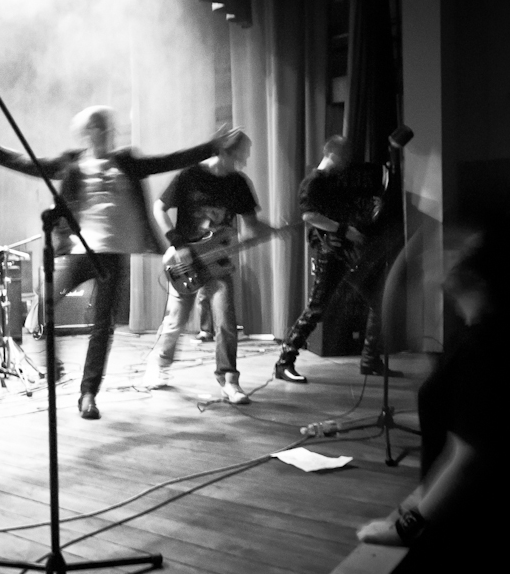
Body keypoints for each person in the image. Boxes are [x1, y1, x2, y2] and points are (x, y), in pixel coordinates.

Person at [0, 108, 240, 419]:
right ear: (86, 134)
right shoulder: (73, 163)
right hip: (79, 252)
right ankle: (54, 365)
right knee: (44, 305)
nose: (104, 132)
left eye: (106, 127)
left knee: (102, 327)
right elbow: (31, 164)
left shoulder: (126, 161)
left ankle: (88, 394)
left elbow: (169, 161)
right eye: (96, 128)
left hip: (113, 256)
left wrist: (212, 146)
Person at [356, 222, 509, 572]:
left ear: (478, 275)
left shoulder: (482, 348)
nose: (439, 254)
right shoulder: (473, 334)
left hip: (468, 527)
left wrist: (403, 529)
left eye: (458, 250)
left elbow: (467, 459)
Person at [142, 131, 271, 404]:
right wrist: (177, 244)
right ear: (224, 152)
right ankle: (159, 364)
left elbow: (251, 226)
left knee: (226, 321)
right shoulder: (190, 176)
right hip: (186, 262)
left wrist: (272, 230)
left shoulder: (238, 183)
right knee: (175, 322)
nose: (244, 162)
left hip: (218, 263)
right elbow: (158, 208)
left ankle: (229, 380)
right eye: (240, 156)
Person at [273, 135, 388, 383]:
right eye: (344, 157)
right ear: (333, 154)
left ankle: (370, 359)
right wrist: (345, 230)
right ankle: (284, 362)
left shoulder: (336, 181)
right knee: (317, 308)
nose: (347, 162)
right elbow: (309, 216)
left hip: (348, 251)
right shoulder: (313, 182)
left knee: (377, 300)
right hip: (331, 252)